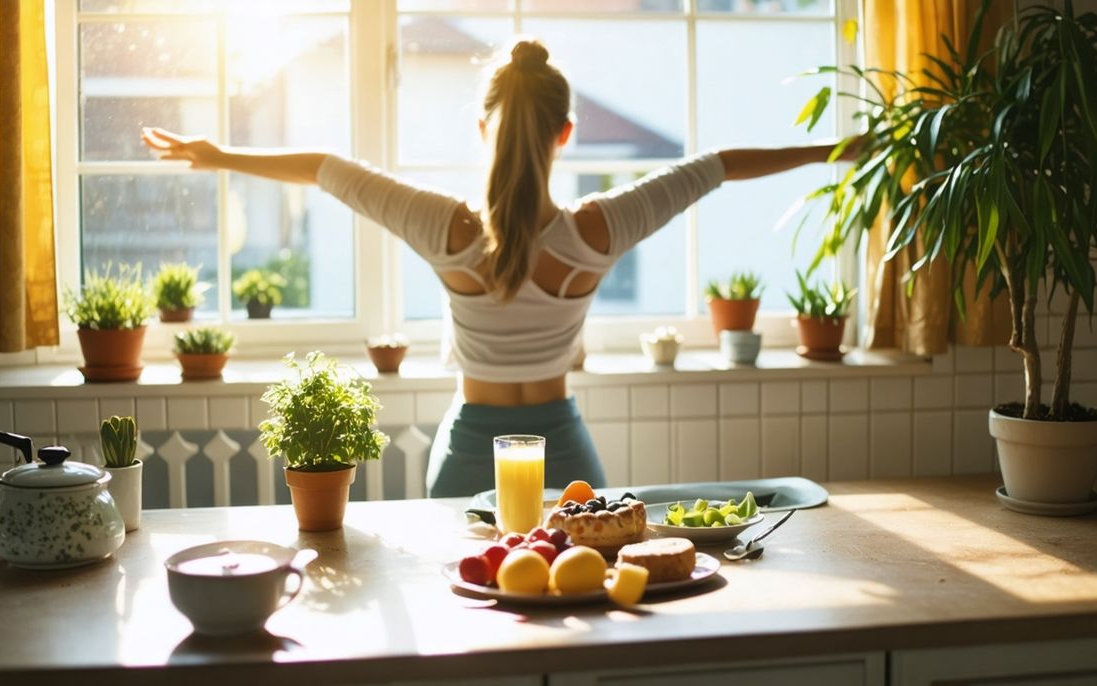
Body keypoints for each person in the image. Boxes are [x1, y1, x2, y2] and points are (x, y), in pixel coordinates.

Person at [142, 38, 853, 498]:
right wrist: (834, 151)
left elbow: (328, 170)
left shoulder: (445, 226)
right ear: (566, 132)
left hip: (466, 458)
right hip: (566, 455)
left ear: (484, 127)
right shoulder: (599, 229)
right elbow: (720, 166)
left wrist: (218, 155)